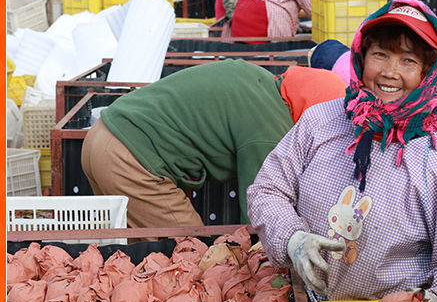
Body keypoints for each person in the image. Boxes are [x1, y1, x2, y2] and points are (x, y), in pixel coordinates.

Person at [246, 0, 437, 302]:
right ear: (361, 56)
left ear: (428, 72)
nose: (389, 72)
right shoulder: (322, 121)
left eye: (408, 61)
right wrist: (291, 238)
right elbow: (268, 189)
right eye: (380, 54)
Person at [80, 61, 346, 229]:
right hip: (129, 158)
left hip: (101, 135)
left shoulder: (259, 81)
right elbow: (260, 211)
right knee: (188, 256)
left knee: (138, 256)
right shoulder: (270, 129)